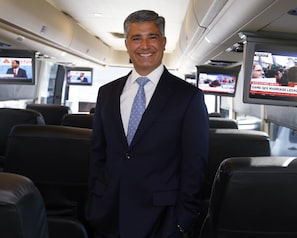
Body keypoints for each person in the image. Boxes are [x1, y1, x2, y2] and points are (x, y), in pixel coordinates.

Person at [85, 9, 209, 238]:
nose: (144, 45)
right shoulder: (107, 93)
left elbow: (194, 163)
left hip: (161, 218)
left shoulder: (188, 97)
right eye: (136, 38)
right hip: (107, 213)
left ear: (163, 42)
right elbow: (98, 153)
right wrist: (94, 201)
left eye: (151, 37)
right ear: (127, 44)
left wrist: (182, 221)